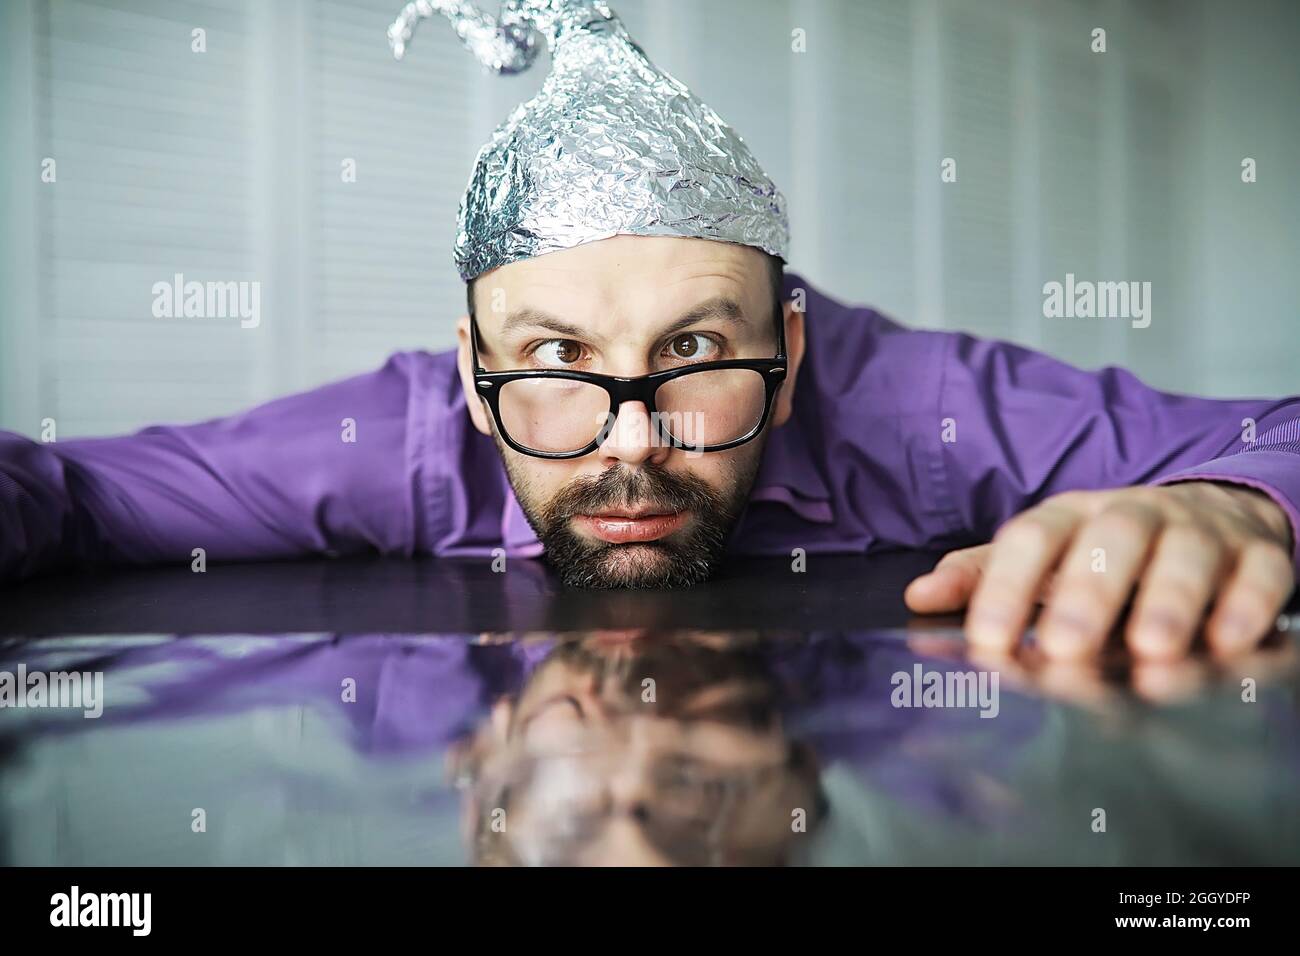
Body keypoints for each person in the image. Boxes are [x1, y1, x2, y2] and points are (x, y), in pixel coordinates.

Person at [1, 0, 1295, 664]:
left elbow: (1273, 436)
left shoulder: (925, 404)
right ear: (471, 372)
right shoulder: (390, 439)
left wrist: (1234, 505)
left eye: (693, 354)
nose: (632, 450)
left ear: (789, 361)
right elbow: (64, 490)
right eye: (558, 361)